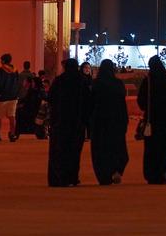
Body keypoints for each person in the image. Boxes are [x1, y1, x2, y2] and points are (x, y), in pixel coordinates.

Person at [47, 58, 90, 187]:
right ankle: (72, 177)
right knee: (74, 152)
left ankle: (58, 178)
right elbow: (87, 102)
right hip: (76, 123)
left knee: (59, 150)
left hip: (60, 122)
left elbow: (51, 99)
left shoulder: (59, 81)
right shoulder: (81, 81)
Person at [138, 55, 166, 184]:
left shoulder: (148, 81)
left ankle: (152, 174)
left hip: (152, 120)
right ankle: (164, 170)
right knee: (165, 146)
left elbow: (141, 101)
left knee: (152, 148)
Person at [89, 59, 129, 186]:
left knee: (101, 149)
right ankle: (117, 169)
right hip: (116, 121)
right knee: (116, 147)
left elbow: (91, 104)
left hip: (100, 122)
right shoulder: (118, 84)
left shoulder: (96, 84)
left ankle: (103, 176)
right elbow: (122, 104)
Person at [0, 53, 21, 143]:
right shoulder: (15, 70)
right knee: (12, 116)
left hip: (3, 97)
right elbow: (17, 83)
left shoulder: (1, 70)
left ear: (3, 60)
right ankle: (12, 134)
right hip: (13, 96)